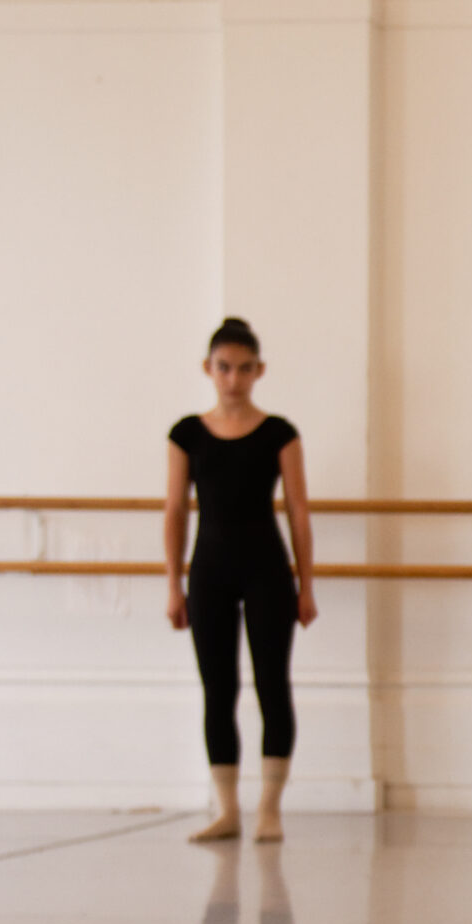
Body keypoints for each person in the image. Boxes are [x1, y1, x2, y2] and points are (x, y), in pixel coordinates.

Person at [162, 317, 318, 844]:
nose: (233, 379)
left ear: (260, 371)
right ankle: (227, 808)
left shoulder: (279, 433)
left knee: (273, 684)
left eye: (244, 369)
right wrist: (171, 583)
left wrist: (307, 585)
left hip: (268, 572)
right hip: (209, 572)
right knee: (218, 689)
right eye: (224, 368)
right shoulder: (187, 433)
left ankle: (269, 808)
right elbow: (175, 511)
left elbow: (298, 511)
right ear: (208, 369)